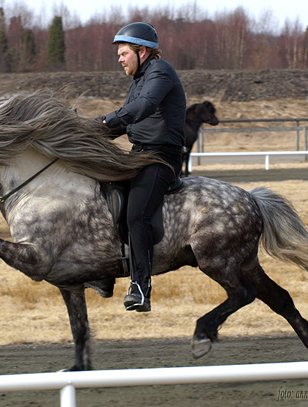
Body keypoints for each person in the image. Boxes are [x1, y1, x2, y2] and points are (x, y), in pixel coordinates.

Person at [100, 22, 186, 312]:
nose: (120, 59)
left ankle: (140, 287)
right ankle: (103, 271)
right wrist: (91, 133)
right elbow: (125, 120)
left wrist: (107, 121)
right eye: (120, 55)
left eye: (124, 53)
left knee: (137, 214)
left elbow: (144, 107)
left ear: (143, 51)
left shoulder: (161, 72)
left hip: (162, 157)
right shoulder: (138, 80)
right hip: (140, 153)